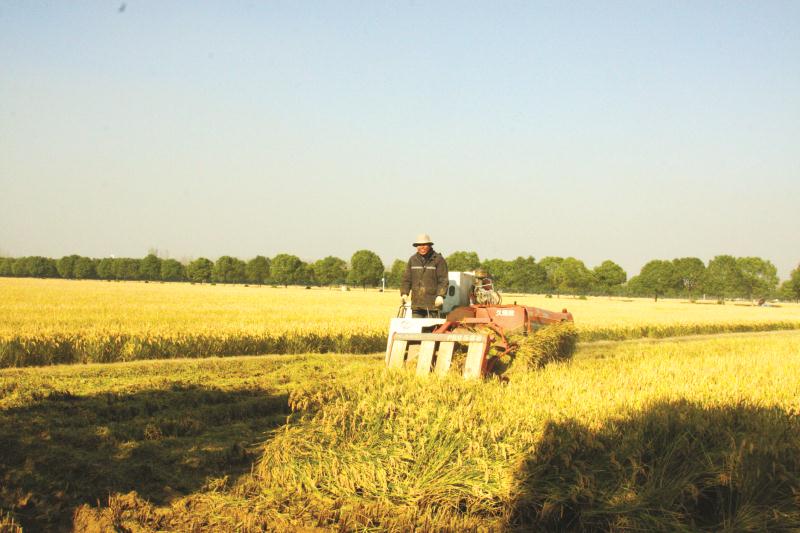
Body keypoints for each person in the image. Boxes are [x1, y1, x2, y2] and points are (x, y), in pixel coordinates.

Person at [400, 233, 449, 318]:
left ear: (430, 245)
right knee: (416, 329)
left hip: (433, 305)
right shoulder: (412, 260)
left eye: (424, 245)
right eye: (419, 245)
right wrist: (404, 293)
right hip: (416, 304)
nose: (422, 247)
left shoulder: (438, 260)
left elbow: (443, 280)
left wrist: (440, 295)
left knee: (430, 330)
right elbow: (407, 279)